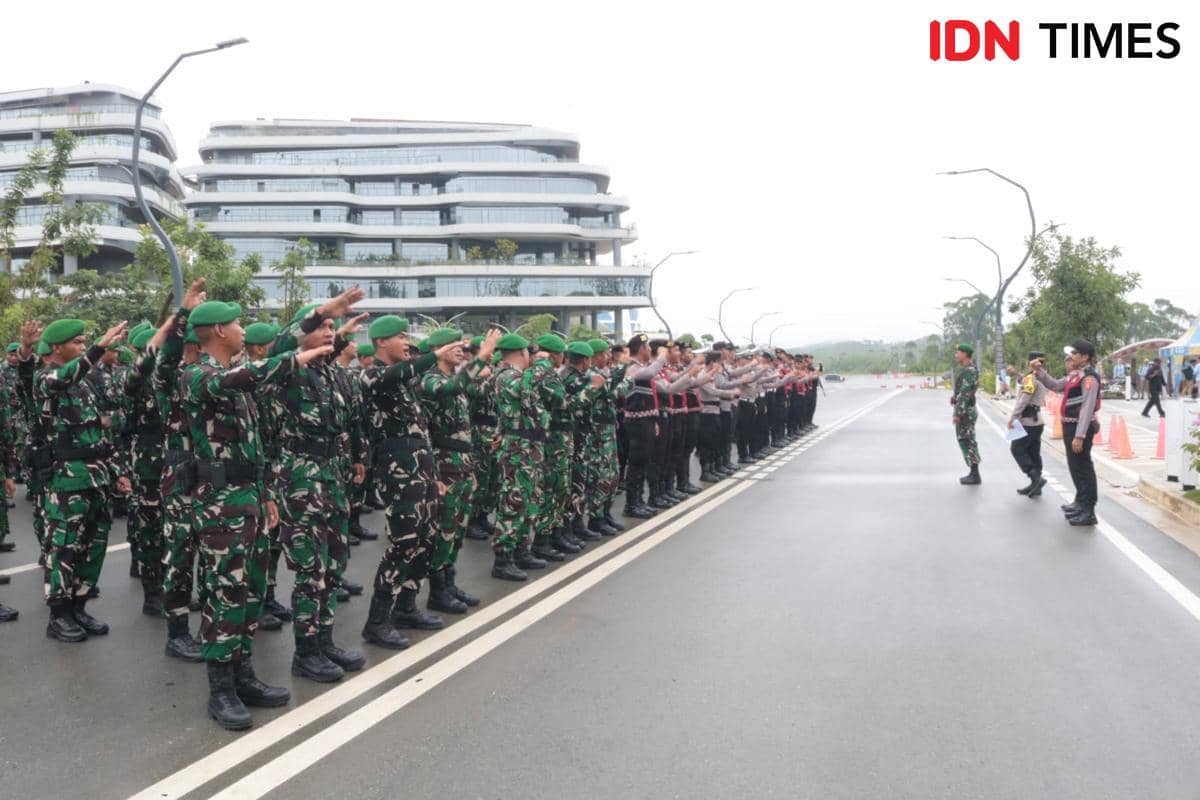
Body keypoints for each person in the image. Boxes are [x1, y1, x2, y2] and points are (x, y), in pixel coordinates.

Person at [181, 299, 336, 729]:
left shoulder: (239, 379)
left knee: (249, 593)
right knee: (224, 593)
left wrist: (267, 493)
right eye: (236, 322)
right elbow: (253, 370)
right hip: (219, 504)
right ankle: (221, 689)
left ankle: (243, 674)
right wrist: (293, 359)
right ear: (217, 331)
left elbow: (255, 445)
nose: (243, 329)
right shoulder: (197, 376)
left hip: (249, 496)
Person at [267, 297, 369, 682]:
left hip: (330, 475)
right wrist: (325, 309)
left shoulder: (329, 375)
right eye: (323, 327)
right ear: (303, 332)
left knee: (333, 564)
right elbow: (280, 343)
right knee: (310, 568)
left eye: (332, 327)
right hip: (299, 479)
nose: (331, 332)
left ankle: (324, 640)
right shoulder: (286, 370)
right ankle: (305, 651)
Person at [32, 317, 131, 642]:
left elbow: (100, 430)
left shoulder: (86, 384)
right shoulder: (46, 378)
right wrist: (99, 346)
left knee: (93, 545)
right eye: (77, 343)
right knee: (65, 546)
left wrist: (117, 471)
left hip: (96, 476)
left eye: (84, 342)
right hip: (66, 480)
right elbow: (62, 378)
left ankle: (78, 605)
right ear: (57, 348)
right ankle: (58, 615)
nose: (82, 347)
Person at [358, 315, 450, 650]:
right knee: (403, 542)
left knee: (425, 539)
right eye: (400, 336)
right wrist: (436, 354)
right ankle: (378, 620)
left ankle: (407, 607)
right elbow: (400, 371)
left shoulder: (402, 384)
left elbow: (420, 435)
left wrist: (434, 477)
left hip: (421, 470)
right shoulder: (374, 375)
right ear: (381, 341)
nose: (407, 342)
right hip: (397, 472)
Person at [419, 326, 498, 611]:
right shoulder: (429, 379)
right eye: (453, 345)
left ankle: (449, 584)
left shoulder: (455, 378)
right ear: (438, 348)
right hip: (442, 463)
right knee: (444, 528)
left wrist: (470, 468)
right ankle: (437, 592)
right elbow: (451, 388)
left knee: (457, 528)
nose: (460, 350)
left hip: (461, 463)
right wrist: (483, 356)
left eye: (462, 347)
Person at [1034, 340, 1102, 527]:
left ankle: (1089, 510)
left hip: (1080, 428)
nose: (1072, 356)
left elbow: (1087, 408)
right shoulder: (1075, 376)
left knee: (1083, 467)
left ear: (1085, 357)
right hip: (1069, 425)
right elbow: (1055, 385)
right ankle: (1080, 503)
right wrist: (1040, 372)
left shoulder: (1088, 378)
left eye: (1075, 353)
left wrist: (1080, 436)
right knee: (1075, 466)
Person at [1008, 352, 1048, 498]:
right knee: (1033, 452)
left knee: (1017, 449)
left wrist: (1013, 418)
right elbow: (1024, 380)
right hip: (1038, 422)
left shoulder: (1031, 378)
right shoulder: (1043, 377)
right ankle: (1035, 485)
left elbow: (1023, 400)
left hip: (1027, 422)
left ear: (1029, 363)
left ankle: (1036, 478)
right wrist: (1016, 374)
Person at [951, 344, 980, 485]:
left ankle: (975, 474)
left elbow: (965, 393)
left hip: (965, 412)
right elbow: (963, 392)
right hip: (968, 410)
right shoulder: (970, 369)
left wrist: (958, 413)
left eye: (958, 352)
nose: (956, 354)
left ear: (965, 354)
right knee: (968, 440)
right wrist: (954, 398)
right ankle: (974, 472)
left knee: (967, 441)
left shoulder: (968, 371)